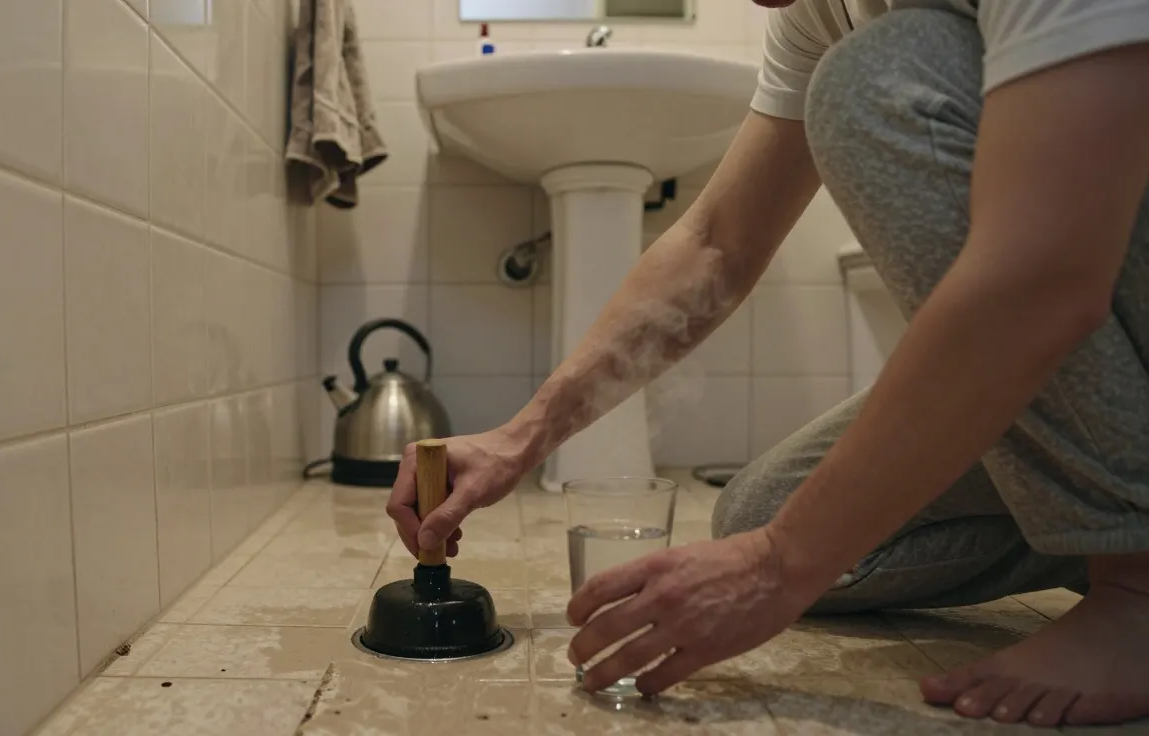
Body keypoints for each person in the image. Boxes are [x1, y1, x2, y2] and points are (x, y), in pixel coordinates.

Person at [387, 0, 1149, 728]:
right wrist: (522, 437)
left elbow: (1045, 275)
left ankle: (1135, 589)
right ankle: (1113, 524)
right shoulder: (823, 12)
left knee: (875, 79)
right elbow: (719, 242)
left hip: (1089, 286)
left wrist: (776, 568)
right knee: (761, 515)